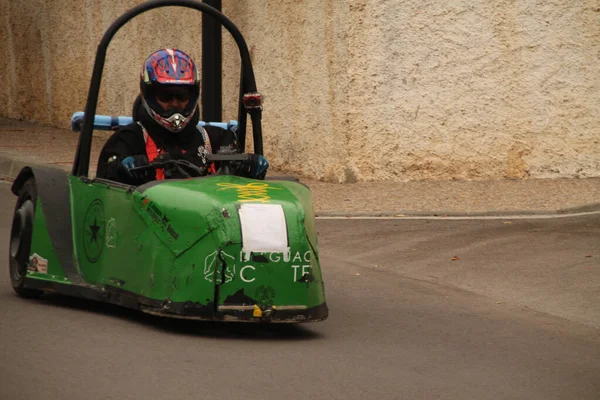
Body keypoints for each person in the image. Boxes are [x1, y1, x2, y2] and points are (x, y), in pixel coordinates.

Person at [96, 48, 268, 185]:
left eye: (182, 96)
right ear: (149, 96)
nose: (175, 104)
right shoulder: (128, 140)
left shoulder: (217, 139)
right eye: (166, 96)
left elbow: (238, 191)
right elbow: (104, 189)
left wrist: (249, 167)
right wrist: (122, 170)